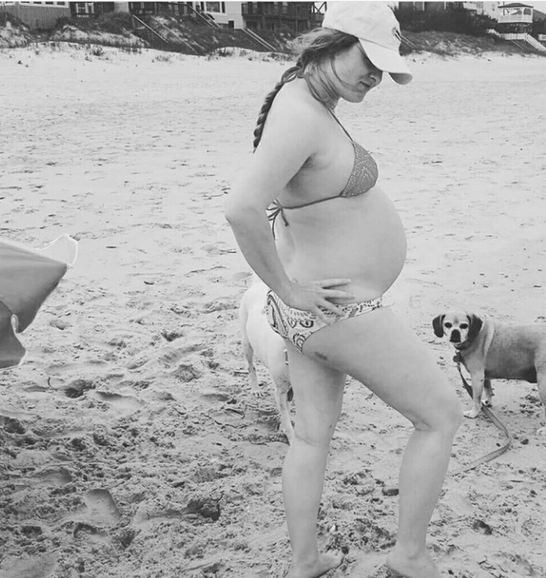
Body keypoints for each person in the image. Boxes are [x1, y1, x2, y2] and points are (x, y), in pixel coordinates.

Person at [225, 3, 462, 578]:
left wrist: (291, 288)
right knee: (440, 415)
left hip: (317, 314)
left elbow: (291, 209)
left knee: (311, 438)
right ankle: (409, 556)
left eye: (384, 68)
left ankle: (305, 562)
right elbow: (242, 209)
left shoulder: (306, 102)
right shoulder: (301, 113)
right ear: (332, 42)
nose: (375, 77)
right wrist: (287, 288)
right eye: (369, 62)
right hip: (340, 312)